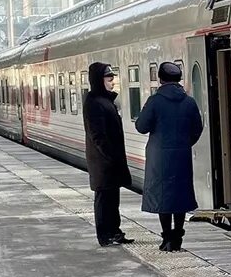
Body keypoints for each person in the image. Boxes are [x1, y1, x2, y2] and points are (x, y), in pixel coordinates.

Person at [135, 61, 203, 252]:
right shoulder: (189, 102)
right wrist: (184, 143)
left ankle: (166, 239)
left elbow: (141, 127)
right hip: (181, 155)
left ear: (161, 79)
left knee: (162, 196)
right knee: (180, 195)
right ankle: (178, 236)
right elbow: (197, 128)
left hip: (159, 157)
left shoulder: (154, 101)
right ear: (179, 79)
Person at [83, 62, 134, 247]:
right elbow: (97, 136)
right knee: (104, 200)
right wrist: (111, 157)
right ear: (99, 80)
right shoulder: (94, 102)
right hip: (103, 162)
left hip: (110, 161)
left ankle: (115, 231)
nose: (113, 81)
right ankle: (105, 235)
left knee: (112, 200)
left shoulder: (105, 101)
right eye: (109, 78)